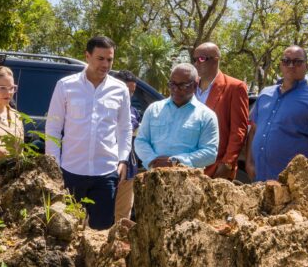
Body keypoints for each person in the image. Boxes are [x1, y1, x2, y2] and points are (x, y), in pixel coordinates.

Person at [45, 36, 132, 230]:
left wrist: (122, 159)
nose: (106, 64)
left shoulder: (120, 90)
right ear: (87, 56)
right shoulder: (66, 86)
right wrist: (53, 166)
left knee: (101, 232)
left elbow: (125, 128)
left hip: (105, 172)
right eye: (100, 58)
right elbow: (53, 127)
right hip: (69, 171)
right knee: (64, 229)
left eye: (109, 59)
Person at [245, 46, 308, 181]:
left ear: (307, 66)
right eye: (286, 61)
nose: (291, 65)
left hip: (292, 187)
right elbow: (253, 131)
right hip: (259, 179)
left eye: (297, 62)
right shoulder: (265, 94)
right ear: (281, 64)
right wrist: (249, 163)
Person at [135, 63, 219, 170]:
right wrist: (154, 160)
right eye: (172, 84)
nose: (176, 89)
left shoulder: (206, 116)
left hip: (188, 181)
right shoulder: (154, 109)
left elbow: (210, 153)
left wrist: (175, 161)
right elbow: (141, 141)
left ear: (195, 85)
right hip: (155, 177)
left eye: (183, 86)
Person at [192, 42, 249, 180]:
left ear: (215, 60)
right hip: (188, 167)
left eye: (201, 59)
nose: (196, 64)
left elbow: (238, 130)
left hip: (216, 169)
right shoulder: (190, 88)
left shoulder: (235, 87)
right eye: (194, 59)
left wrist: (227, 164)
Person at [113, 70, 142, 222]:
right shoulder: (98, 108)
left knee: (123, 218)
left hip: (128, 169)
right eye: (125, 90)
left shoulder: (133, 112)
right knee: (91, 214)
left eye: (131, 92)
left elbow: (129, 127)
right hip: (100, 168)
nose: (128, 95)